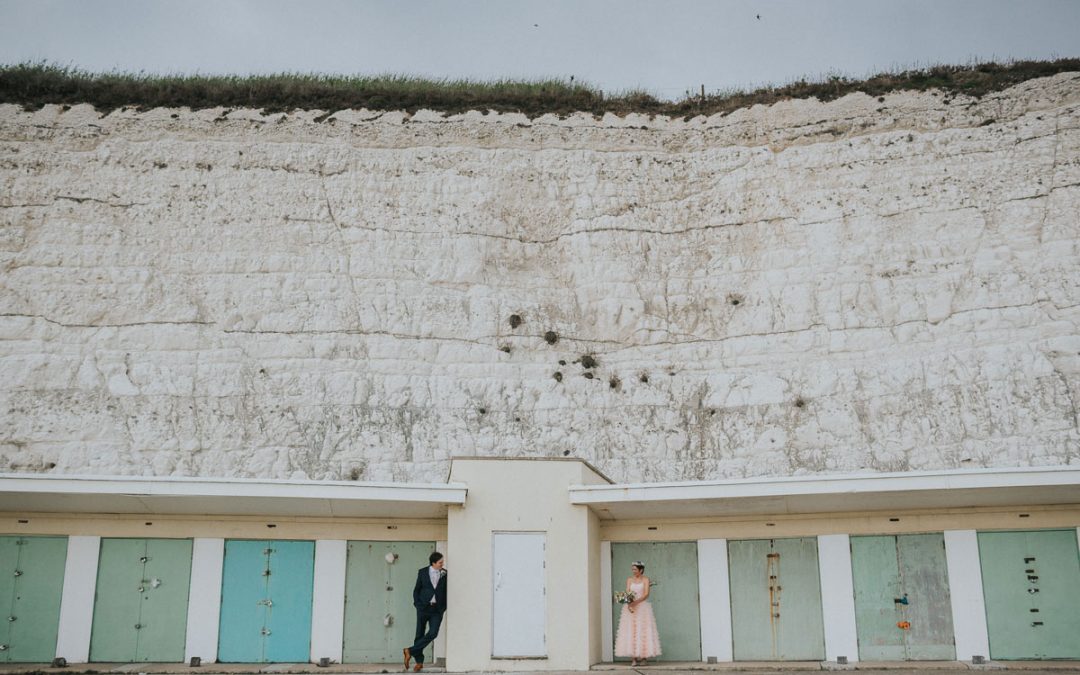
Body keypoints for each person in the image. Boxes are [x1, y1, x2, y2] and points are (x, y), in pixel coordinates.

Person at [403, 551, 447, 672]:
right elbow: (416, 590)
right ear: (433, 563)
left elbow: (446, 591)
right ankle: (419, 662)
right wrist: (417, 604)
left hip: (437, 610)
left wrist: (443, 607)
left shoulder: (445, 573)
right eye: (440, 562)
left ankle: (409, 651)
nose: (442, 564)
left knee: (433, 633)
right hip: (423, 608)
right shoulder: (422, 572)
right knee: (419, 634)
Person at [614, 561, 661, 666]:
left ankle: (644, 658)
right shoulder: (629, 580)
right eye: (632, 569)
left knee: (643, 630)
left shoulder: (645, 580)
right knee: (632, 631)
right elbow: (627, 592)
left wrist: (636, 602)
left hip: (642, 608)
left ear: (641, 570)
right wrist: (628, 601)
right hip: (631, 607)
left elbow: (646, 594)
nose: (633, 571)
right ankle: (634, 658)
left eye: (635, 569)